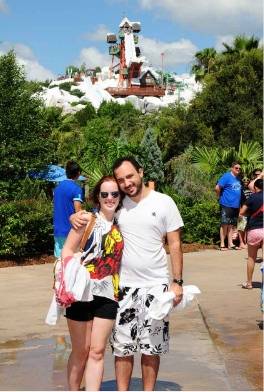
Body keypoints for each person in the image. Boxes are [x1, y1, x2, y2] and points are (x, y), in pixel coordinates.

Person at [70, 156, 184, 391]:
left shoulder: (164, 202)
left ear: (140, 172)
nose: (126, 183)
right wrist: (75, 216)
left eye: (130, 176)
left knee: (152, 346)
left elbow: (174, 244)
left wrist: (177, 281)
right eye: (121, 180)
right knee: (123, 346)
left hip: (156, 286)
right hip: (122, 288)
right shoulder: (119, 204)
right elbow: (99, 212)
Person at [61, 175, 124, 391]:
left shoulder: (122, 222)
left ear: (119, 196)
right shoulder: (87, 219)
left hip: (108, 294)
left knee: (97, 351)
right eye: (104, 194)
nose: (110, 198)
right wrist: (70, 275)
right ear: (97, 197)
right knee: (81, 350)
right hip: (81, 293)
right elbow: (67, 250)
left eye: (114, 194)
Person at [53, 162, 83, 260]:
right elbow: (78, 210)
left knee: (59, 261)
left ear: (66, 172)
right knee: (72, 262)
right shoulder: (77, 189)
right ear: (78, 173)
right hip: (71, 231)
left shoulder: (57, 188)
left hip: (58, 230)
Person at [240, 179, 263, 289]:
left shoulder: (253, 197)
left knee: (251, 257)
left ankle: (249, 283)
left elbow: (242, 212)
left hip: (254, 230)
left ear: (256, 188)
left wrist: (251, 213)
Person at [215, 162, 243, 251]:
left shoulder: (238, 179)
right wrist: (219, 197)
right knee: (224, 224)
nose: (238, 170)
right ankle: (222, 244)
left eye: (239, 168)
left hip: (235, 205)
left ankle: (231, 244)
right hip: (226, 203)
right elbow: (217, 187)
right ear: (232, 168)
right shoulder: (226, 176)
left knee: (231, 225)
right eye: (236, 168)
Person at [237, 174, 252, 249]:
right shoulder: (240, 189)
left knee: (246, 227)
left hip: (250, 211)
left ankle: (245, 241)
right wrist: (240, 211)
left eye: (247, 180)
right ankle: (241, 242)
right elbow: (239, 201)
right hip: (243, 210)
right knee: (241, 227)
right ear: (241, 181)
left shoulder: (251, 188)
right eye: (244, 180)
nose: (246, 181)